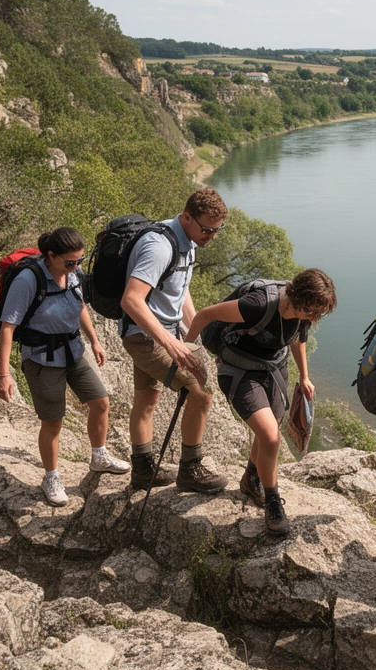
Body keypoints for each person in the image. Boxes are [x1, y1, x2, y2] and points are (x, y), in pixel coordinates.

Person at [184, 268, 338, 536]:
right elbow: (204, 315)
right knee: (270, 436)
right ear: (297, 299)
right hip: (239, 370)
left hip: (274, 369)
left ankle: (251, 478)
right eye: (312, 311)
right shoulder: (258, 305)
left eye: (318, 313)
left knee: (271, 429)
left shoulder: (304, 315)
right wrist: (184, 352)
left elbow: (298, 338)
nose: (315, 317)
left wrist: (304, 376)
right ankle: (273, 500)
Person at [0, 228, 128, 506]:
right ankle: (51, 477)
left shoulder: (73, 274)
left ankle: (98, 456)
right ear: (51, 256)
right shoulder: (28, 280)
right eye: (70, 262)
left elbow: (79, 305)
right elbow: (8, 327)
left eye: (79, 261)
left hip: (73, 351)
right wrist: (3, 374)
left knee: (100, 401)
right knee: (53, 420)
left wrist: (94, 340)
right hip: (42, 357)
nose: (76, 267)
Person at [120, 187, 227, 494]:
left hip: (159, 331)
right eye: (207, 229)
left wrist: (195, 331)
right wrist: (172, 343)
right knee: (200, 390)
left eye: (217, 230)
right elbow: (132, 300)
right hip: (144, 336)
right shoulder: (159, 246)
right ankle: (190, 469)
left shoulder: (188, 241)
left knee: (147, 399)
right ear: (186, 217)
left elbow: (179, 291)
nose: (211, 236)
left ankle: (142, 469)